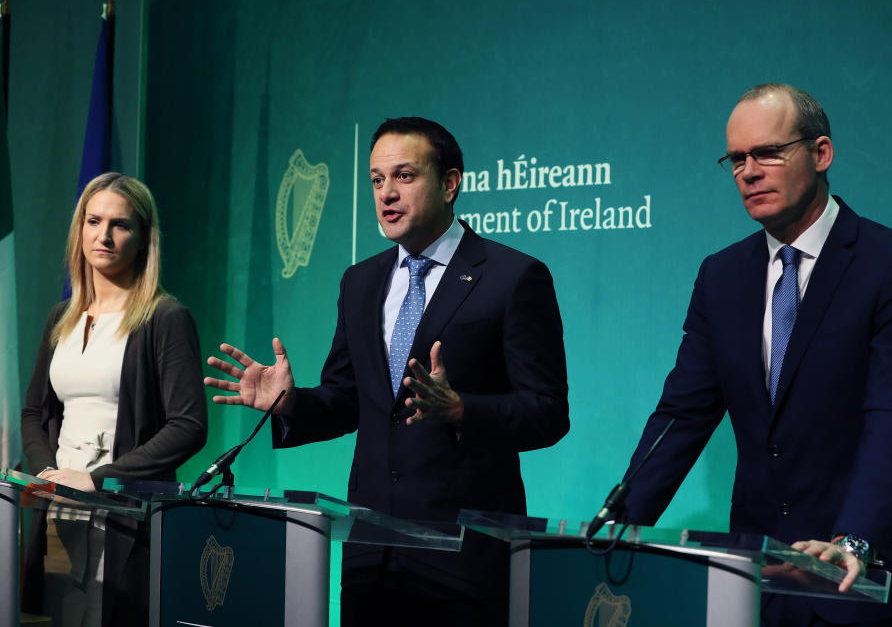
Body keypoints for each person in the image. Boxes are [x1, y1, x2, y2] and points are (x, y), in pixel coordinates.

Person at [205, 117, 569, 626]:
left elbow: (548, 412)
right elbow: (348, 398)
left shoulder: (512, 277)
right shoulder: (361, 281)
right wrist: (290, 403)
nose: (386, 194)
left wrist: (462, 409)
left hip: (463, 556)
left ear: (450, 183)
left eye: (404, 176)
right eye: (377, 180)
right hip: (371, 556)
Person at [623, 84, 892, 627]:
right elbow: (681, 416)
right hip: (758, 573)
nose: (749, 171)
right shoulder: (721, 275)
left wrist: (855, 539)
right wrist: (616, 526)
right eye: (737, 159)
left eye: (768, 152)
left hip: (857, 571)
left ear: (821, 153)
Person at [21, 172, 208, 626]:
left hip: (123, 515)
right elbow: (35, 412)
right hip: (58, 511)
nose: (103, 236)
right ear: (79, 229)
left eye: (120, 225)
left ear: (144, 238)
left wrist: (100, 479)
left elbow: (188, 427)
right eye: (93, 221)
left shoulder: (165, 317)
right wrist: (48, 473)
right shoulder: (60, 317)